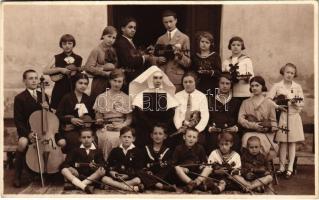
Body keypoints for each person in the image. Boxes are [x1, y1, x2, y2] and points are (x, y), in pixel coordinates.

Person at [267, 63, 304, 179]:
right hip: (283, 116)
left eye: (292, 73)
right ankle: (282, 167)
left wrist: (295, 102)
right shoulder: (277, 86)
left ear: (294, 74)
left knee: (292, 143)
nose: (289, 75)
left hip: (294, 116)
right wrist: (277, 107)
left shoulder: (297, 87)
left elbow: (302, 103)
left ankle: (290, 168)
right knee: (282, 142)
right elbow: (268, 99)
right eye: (287, 72)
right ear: (283, 72)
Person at [13, 69, 49, 187]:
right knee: (22, 143)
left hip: (43, 131)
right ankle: (17, 175)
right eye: (30, 78)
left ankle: (44, 171)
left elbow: (49, 118)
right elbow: (18, 121)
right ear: (24, 81)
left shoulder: (44, 96)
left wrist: (47, 109)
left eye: (35, 78)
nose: (34, 81)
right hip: (27, 131)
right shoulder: (20, 98)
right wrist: (28, 134)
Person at [130, 65, 179, 147]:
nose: (158, 80)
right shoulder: (142, 95)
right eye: (155, 78)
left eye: (160, 78)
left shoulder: (166, 94)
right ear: (150, 79)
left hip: (163, 128)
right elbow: (140, 115)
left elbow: (170, 115)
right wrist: (152, 127)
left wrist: (161, 127)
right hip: (146, 128)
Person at [94, 69, 132, 160]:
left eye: (120, 81)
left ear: (123, 82)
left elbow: (129, 118)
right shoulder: (102, 97)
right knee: (107, 138)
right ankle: (106, 164)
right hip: (106, 127)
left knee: (122, 138)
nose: (117, 84)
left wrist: (122, 125)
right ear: (110, 81)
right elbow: (98, 116)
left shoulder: (127, 98)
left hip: (121, 127)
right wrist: (100, 121)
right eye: (114, 81)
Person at [238, 76, 278, 155]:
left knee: (262, 141)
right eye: (252, 86)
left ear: (262, 86)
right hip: (250, 132)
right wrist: (254, 126)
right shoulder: (245, 102)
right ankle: (249, 163)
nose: (254, 88)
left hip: (265, 134)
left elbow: (273, 121)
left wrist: (269, 127)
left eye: (257, 85)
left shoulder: (269, 103)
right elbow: (240, 119)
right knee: (247, 139)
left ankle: (261, 163)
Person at [55, 73, 94, 153]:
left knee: (92, 138)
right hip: (69, 129)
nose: (83, 86)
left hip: (83, 129)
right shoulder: (67, 97)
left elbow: (91, 116)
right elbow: (58, 116)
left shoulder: (88, 99)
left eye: (85, 83)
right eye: (80, 83)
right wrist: (71, 119)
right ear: (75, 83)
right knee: (75, 139)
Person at [153, 10, 191, 92]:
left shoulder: (184, 38)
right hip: (162, 77)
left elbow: (188, 63)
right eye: (165, 22)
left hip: (176, 79)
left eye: (171, 21)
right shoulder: (160, 39)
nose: (168, 25)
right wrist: (157, 59)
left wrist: (180, 55)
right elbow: (153, 57)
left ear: (176, 20)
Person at [43, 34, 83, 111]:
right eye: (64, 44)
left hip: (72, 88)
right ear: (61, 45)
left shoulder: (78, 58)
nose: (67, 46)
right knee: (56, 111)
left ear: (73, 44)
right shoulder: (57, 57)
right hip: (59, 89)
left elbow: (77, 73)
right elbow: (45, 71)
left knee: (71, 111)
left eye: (69, 43)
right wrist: (60, 69)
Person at [60, 128, 106, 194]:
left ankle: (80, 185)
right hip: (78, 175)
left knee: (102, 170)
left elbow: (103, 164)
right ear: (80, 139)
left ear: (93, 138)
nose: (86, 139)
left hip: (92, 176)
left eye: (88, 137)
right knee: (64, 170)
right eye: (84, 137)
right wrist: (70, 168)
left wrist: (96, 166)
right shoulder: (74, 150)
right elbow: (65, 164)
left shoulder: (98, 151)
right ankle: (84, 186)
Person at [206, 72, 242, 154]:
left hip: (230, 131)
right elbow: (206, 118)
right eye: (222, 83)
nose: (225, 86)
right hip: (215, 131)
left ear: (231, 85)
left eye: (227, 83)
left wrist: (235, 128)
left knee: (235, 140)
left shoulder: (236, 101)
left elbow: (239, 119)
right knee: (212, 140)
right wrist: (210, 128)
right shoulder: (211, 100)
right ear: (218, 84)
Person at [114, 17, 152, 93]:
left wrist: (145, 53)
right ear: (123, 28)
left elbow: (133, 56)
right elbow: (129, 61)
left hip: (134, 78)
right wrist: (144, 58)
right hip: (127, 79)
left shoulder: (130, 42)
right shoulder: (121, 42)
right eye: (130, 27)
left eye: (134, 28)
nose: (133, 30)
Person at [101, 126, 144, 192]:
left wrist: (127, 176)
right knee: (104, 179)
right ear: (120, 138)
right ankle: (127, 188)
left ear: (133, 139)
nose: (126, 139)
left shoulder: (137, 151)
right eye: (124, 136)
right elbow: (108, 165)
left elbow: (139, 169)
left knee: (137, 180)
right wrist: (112, 172)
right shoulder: (115, 150)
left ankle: (114, 186)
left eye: (129, 137)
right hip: (116, 177)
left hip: (129, 178)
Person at [174, 71, 209, 147]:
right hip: (182, 129)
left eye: (190, 82)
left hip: (196, 129)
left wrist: (196, 131)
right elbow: (176, 115)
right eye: (185, 82)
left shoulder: (202, 96)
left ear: (195, 82)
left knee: (199, 144)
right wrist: (180, 128)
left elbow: (205, 117)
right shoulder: (177, 96)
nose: (188, 84)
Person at [137, 123, 177, 191]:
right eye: (155, 133)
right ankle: (160, 186)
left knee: (171, 167)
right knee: (138, 171)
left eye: (160, 134)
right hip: (148, 173)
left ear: (165, 136)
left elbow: (168, 164)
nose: (157, 136)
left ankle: (147, 184)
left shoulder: (168, 151)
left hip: (161, 176)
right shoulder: (145, 149)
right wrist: (147, 170)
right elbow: (141, 164)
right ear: (151, 135)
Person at [84, 26, 118, 100]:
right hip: (99, 82)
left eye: (113, 38)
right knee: (98, 103)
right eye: (109, 36)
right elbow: (88, 67)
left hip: (111, 82)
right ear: (103, 36)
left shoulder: (113, 50)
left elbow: (115, 65)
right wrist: (104, 72)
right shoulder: (96, 50)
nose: (111, 40)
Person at [172, 128, 207, 193]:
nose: (191, 139)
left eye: (194, 137)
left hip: (196, 174)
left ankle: (195, 184)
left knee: (209, 168)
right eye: (189, 136)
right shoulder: (178, 148)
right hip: (184, 175)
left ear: (197, 139)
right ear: (184, 137)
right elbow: (174, 164)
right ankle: (192, 183)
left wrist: (202, 165)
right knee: (177, 168)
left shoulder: (200, 148)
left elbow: (204, 162)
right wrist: (182, 168)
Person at [222, 36, 254, 102]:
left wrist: (243, 78)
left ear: (242, 47)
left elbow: (251, 76)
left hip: (244, 91)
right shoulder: (226, 62)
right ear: (230, 46)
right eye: (233, 45)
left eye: (238, 45)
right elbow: (223, 76)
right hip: (230, 92)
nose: (235, 47)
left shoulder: (247, 60)